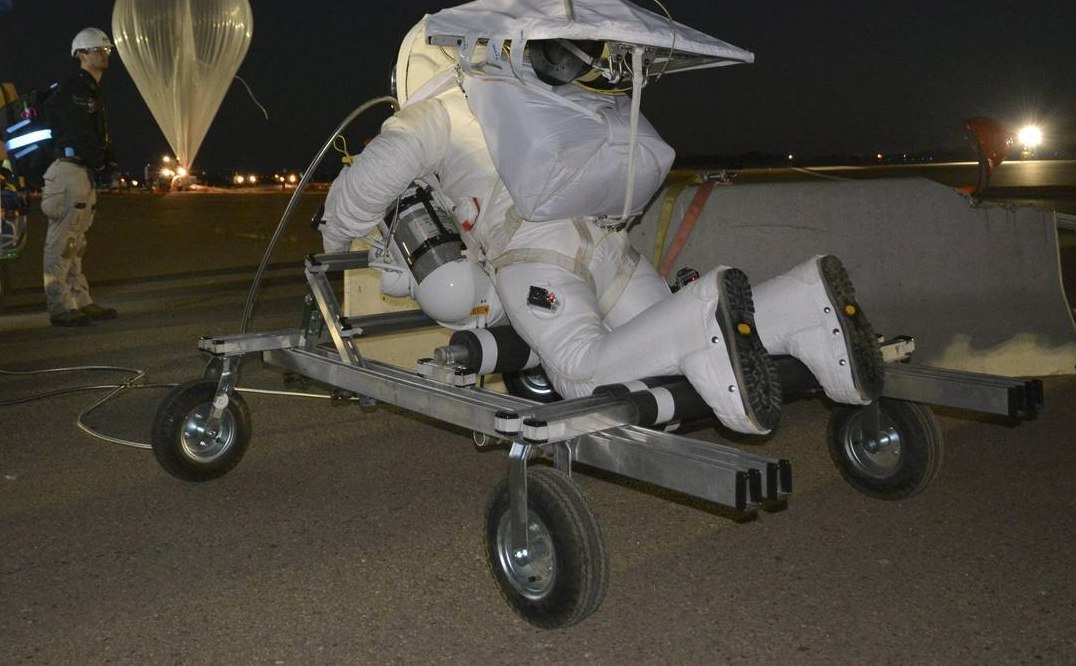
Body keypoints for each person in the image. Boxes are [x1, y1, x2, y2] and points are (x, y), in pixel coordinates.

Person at [321, 36, 885, 436]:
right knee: (658, 350)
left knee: (581, 374)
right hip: (609, 244)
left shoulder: (437, 114)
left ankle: (703, 309)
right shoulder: (540, 96)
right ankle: (801, 304)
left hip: (536, 257)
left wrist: (332, 236)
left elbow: (362, 191)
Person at [40, 27, 120, 328]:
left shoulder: (90, 92)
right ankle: (60, 306)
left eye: (106, 50)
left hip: (82, 171)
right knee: (61, 242)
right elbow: (79, 132)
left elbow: (95, 134)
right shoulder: (73, 90)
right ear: (81, 55)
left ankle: (81, 300)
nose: (104, 54)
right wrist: (100, 162)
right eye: (98, 49)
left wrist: (105, 163)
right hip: (69, 171)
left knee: (76, 241)